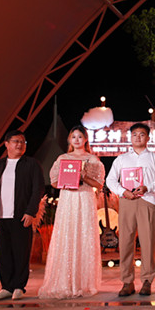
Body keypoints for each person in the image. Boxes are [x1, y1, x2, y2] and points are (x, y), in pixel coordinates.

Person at [38, 126, 105, 299]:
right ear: (69, 139)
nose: (76, 140)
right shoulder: (63, 159)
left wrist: (83, 176)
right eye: (73, 137)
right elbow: (54, 182)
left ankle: (83, 283)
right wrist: (67, 180)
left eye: (80, 136)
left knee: (84, 236)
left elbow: (99, 184)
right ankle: (65, 281)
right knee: (67, 235)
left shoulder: (92, 159)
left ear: (85, 139)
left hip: (85, 198)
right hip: (68, 198)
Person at [106, 122, 155, 297]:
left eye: (142, 134)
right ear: (129, 137)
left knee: (148, 242)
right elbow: (110, 180)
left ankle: (147, 281)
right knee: (125, 241)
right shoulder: (121, 159)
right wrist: (122, 191)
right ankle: (127, 282)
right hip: (127, 202)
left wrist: (147, 187)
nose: (138, 137)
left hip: (147, 201)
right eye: (134, 135)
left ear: (148, 138)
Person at [0, 130, 44, 300]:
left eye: (23, 142)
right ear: (6, 144)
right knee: (4, 254)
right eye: (16, 141)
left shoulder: (31, 164)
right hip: (0, 218)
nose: (20, 145)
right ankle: (6, 287)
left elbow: (38, 189)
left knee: (21, 253)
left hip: (22, 216)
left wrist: (30, 211)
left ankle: (19, 286)